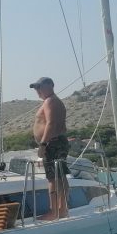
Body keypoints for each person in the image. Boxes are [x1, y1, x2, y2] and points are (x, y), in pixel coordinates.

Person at [30, 76, 70, 220]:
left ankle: (54, 212)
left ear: (50, 85)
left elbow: (51, 123)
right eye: (36, 88)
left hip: (52, 143)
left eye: (39, 87)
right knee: (61, 176)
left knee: (53, 178)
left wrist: (43, 144)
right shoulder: (56, 101)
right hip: (58, 142)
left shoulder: (50, 101)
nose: (37, 90)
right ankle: (62, 209)